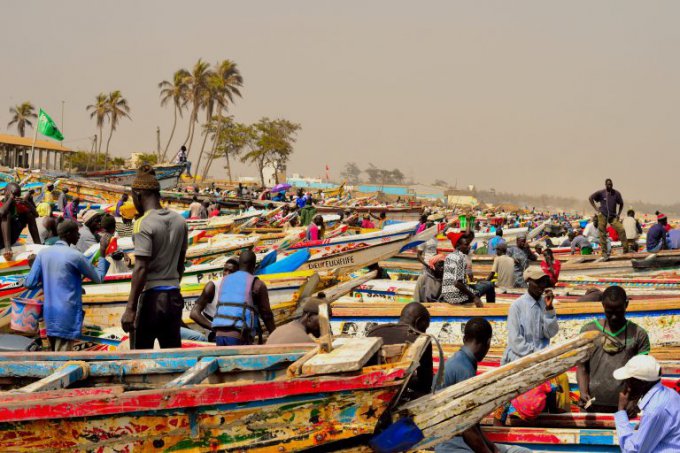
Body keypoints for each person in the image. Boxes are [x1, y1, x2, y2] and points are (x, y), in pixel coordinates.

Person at [435, 318, 530, 453]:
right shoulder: (465, 370)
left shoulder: (459, 361)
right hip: (452, 445)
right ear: (488, 342)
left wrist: (492, 447)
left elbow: (472, 423)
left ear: (464, 339)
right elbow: (467, 428)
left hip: (457, 441)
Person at [120, 165, 189, 350]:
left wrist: (130, 309)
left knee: (141, 355)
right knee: (171, 353)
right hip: (174, 297)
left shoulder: (143, 223)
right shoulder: (180, 221)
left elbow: (141, 268)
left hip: (152, 298)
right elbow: (180, 265)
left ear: (138, 194)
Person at [24, 220, 109, 351]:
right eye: (76, 233)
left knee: (52, 354)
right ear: (68, 234)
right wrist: (102, 251)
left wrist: (36, 269)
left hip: (49, 315)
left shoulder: (42, 254)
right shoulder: (75, 256)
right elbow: (98, 278)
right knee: (62, 358)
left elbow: (29, 283)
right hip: (67, 316)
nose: (79, 236)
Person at [577, 286, 651, 413]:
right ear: (603, 306)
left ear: (626, 305)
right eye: (609, 312)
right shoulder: (588, 331)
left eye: (618, 311)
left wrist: (633, 401)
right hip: (592, 406)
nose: (614, 317)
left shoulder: (638, 334)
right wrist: (583, 392)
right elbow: (582, 367)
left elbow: (642, 374)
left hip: (624, 408)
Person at [612, 355, 680, 452]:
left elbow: (633, 451)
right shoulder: (670, 394)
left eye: (629, 381)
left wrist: (621, 410)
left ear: (641, 383)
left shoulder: (654, 409)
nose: (627, 386)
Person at [367, 303, 433, 399]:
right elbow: (425, 385)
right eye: (425, 328)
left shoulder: (373, 332)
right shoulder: (421, 339)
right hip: (398, 397)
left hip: (370, 391)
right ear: (419, 322)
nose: (425, 332)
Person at [211, 250, 276, 346]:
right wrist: (275, 335)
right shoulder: (257, 284)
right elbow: (266, 315)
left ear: (239, 264)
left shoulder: (225, 280)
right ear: (254, 266)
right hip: (238, 336)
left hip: (218, 335)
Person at [501, 267, 558, 364]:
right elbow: (515, 340)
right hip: (520, 357)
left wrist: (549, 309)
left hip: (541, 357)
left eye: (543, 282)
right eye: (538, 282)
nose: (541, 286)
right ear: (528, 282)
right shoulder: (517, 306)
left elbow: (551, 333)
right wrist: (536, 353)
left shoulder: (545, 304)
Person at [187, 258, 239, 342]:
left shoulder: (239, 288)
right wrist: (215, 329)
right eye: (225, 270)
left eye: (231, 272)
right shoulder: (212, 287)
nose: (227, 274)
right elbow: (194, 313)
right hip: (214, 333)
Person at [441, 238, 487, 307]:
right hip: (457, 297)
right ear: (458, 245)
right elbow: (457, 283)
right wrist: (474, 297)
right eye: (466, 245)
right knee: (488, 286)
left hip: (446, 296)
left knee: (472, 287)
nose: (469, 246)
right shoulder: (461, 258)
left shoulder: (449, 256)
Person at [0, 183, 41, 260]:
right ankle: (7, 248)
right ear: (6, 192)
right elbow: (1, 213)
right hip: (1, 241)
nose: (16, 197)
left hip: (12, 238)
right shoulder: (1, 204)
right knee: (6, 214)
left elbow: (36, 215)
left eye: (18, 195)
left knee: (29, 214)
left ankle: (38, 244)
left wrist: (26, 202)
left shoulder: (17, 206)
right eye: (14, 194)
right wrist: (10, 199)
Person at [589, 178, 628, 257]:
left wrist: (619, 214)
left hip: (612, 216)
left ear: (612, 185)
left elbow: (621, 203)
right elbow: (590, 198)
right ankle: (604, 252)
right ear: (605, 185)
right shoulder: (601, 193)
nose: (609, 186)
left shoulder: (616, 194)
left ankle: (626, 250)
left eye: (611, 184)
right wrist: (596, 209)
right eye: (608, 184)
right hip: (603, 214)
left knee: (621, 229)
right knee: (602, 232)